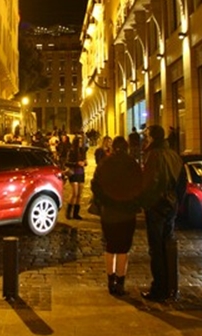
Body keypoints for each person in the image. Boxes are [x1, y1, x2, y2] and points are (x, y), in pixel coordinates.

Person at [91, 136, 144, 296]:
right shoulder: (132, 164)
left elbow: (95, 185)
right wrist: (134, 202)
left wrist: (104, 201)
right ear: (127, 148)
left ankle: (110, 280)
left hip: (109, 212)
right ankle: (120, 283)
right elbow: (140, 185)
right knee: (123, 248)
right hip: (127, 212)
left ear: (113, 148)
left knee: (110, 246)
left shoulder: (105, 163)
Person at [140, 125, 187, 302]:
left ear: (152, 137)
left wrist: (146, 203)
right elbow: (182, 183)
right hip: (171, 205)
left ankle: (158, 288)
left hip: (157, 206)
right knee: (167, 244)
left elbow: (151, 182)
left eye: (147, 135)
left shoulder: (154, 155)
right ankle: (170, 286)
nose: (145, 138)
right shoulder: (174, 155)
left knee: (157, 248)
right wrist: (176, 202)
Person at [65, 135, 87, 220]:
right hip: (73, 173)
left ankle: (76, 214)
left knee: (79, 194)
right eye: (80, 141)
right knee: (75, 193)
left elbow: (84, 161)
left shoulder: (83, 151)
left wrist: (85, 163)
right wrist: (76, 163)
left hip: (81, 173)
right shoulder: (71, 151)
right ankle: (68, 212)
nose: (82, 143)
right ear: (76, 142)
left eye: (82, 141)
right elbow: (67, 163)